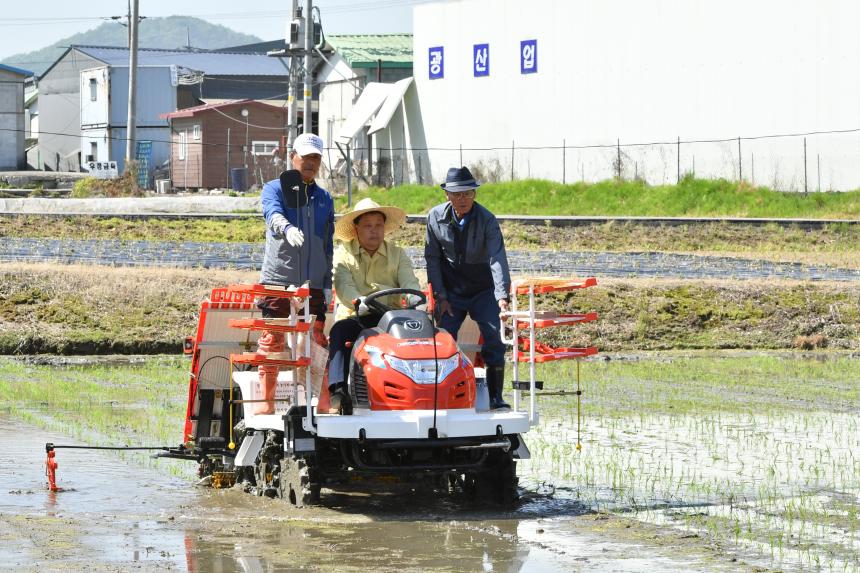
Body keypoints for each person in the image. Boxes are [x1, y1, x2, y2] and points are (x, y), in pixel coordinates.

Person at [256, 132, 334, 414]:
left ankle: (322, 402)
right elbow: (272, 214)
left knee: (316, 339)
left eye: (316, 158)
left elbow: (328, 244)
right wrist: (286, 228)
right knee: (273, 340)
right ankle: (266, 402)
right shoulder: (274, 188)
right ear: (293, 157)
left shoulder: (324, 199)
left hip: (312, 281)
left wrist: (328, 282)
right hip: (278, 277)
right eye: (305, 157)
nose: (310, 162)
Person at [424, 166, 512, 410]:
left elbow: (497, 258)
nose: (463, 199)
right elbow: (432, 259)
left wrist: (501, 296)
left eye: (468, 194)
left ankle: (496, 397)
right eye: (457, 194)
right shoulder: (434, 217)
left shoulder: (488, 220)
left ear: (474, 194)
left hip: (483, 289)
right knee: (442, 339)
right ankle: (443, 395)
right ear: (447, 195)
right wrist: (440, 296)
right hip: (451, 290)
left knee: (495, 337)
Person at [326, 198, 421, 413]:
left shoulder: (398, 254)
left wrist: (416, 300)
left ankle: (416, 391)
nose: (374, 231)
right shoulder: (342, 254)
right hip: (356, 315)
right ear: (356, 228)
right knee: (339, 332)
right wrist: (358, 301)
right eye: (368, 225)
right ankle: (338, 393)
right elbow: (342, 285)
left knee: (422, 335)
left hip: (391, 318)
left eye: (379, 225)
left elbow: (409, 283)